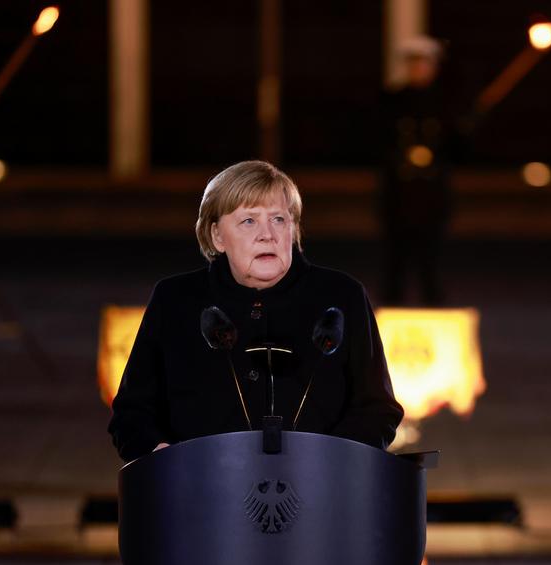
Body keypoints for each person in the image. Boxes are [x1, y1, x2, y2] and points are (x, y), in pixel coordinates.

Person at [108, 161, 404, 463]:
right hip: (200, 494)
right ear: (216, 236)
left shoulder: (342, 295)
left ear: (294, 230)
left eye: (278, 219)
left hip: (321, 493)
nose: (267, 235)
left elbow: (378, 410)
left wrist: (332, 461)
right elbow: (132, 414)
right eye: (249, 221)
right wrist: (162, 458)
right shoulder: (175, 300)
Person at [377, 36, 465, 306]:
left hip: (432, 195)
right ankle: (388, 326)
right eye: (413, 64)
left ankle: (435, 318)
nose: (419, 69)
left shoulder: (446, 103)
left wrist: (464, 130)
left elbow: (459, 151)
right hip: (399, 195)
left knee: (431, 264)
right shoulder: (392, 100)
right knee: (396, 265)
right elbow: (376, 142)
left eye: (424, 64)